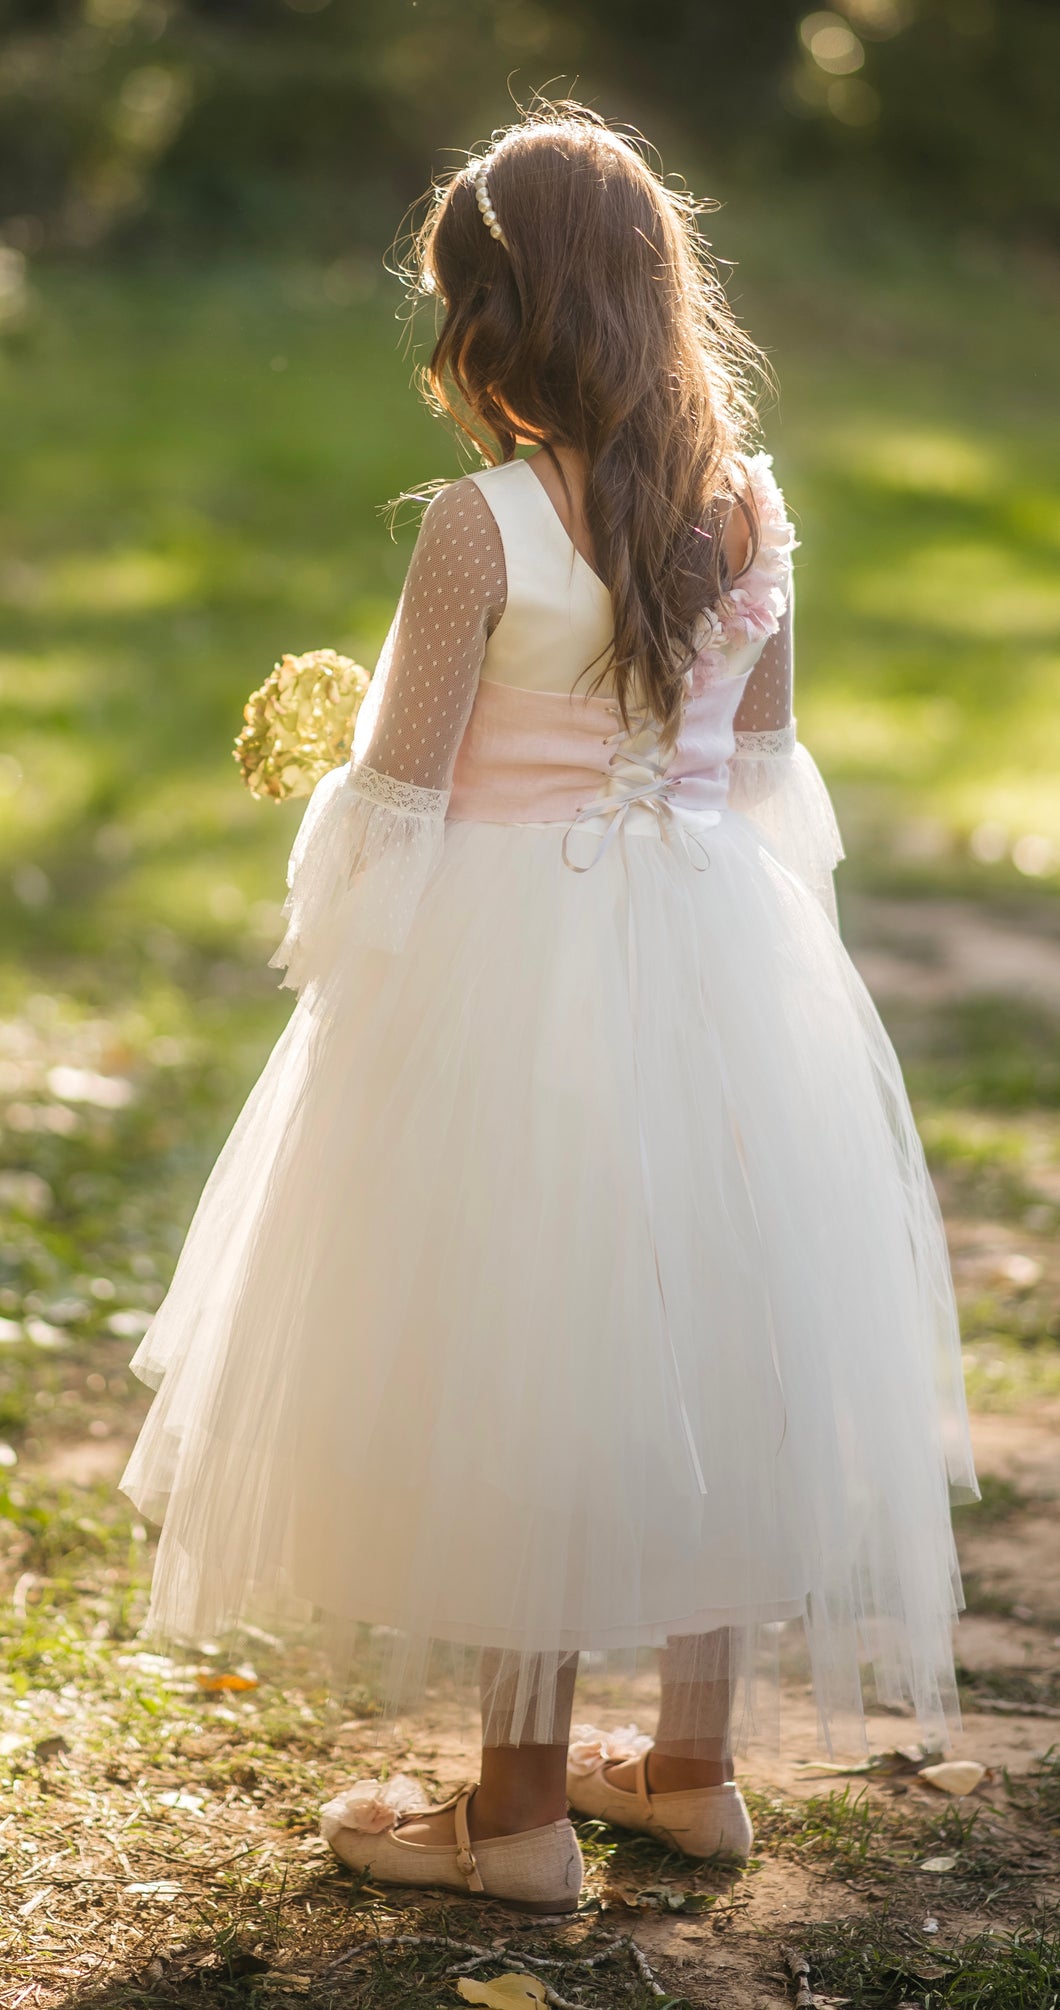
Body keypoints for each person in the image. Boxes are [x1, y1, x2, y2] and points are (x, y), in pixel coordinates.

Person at [120, 102, 978, 1915]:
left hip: (527, 970)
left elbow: (400, 804)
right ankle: (693, 1766)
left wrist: (350, 888)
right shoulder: (747, 510)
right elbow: (761, 765)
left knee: (537, 1342)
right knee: (707, 1326)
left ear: (495, 324)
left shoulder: (479, 526)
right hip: (719, 945)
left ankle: (514, 1815)